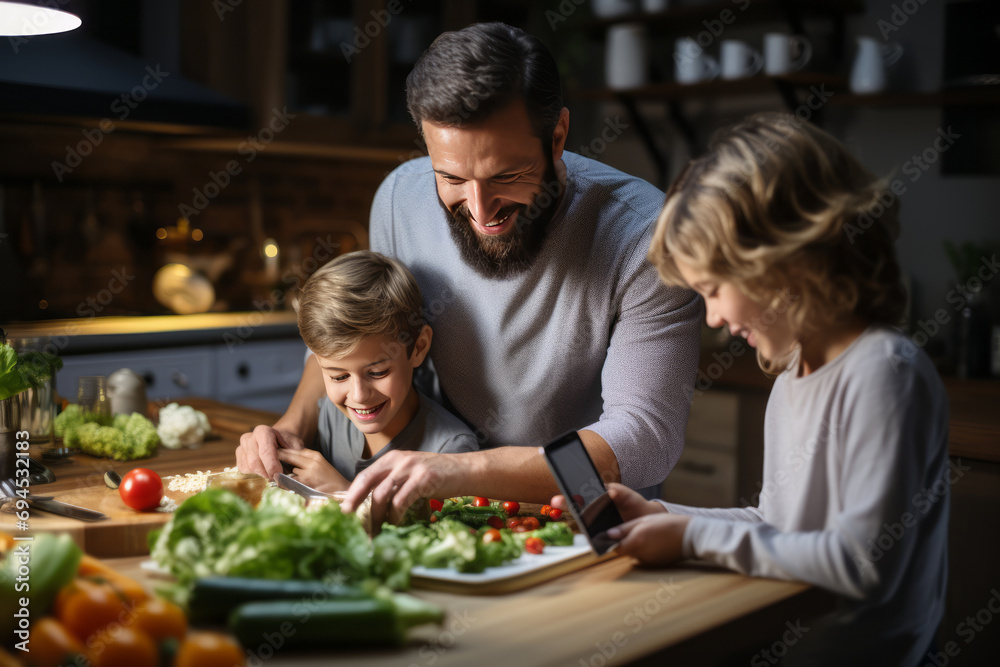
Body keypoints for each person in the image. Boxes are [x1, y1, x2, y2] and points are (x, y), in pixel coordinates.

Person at [237, 23, 702, 523]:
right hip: (441, 507)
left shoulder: (644, 236)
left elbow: (645, 439)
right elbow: (357, 334)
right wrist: (292, 424)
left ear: (558, 136)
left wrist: (462, 470)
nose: (481, 210)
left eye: (506, 175)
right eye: (452, 177)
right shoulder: (399, 199)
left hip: (587, 510)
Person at [570, 112, 948, 666]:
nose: (715, 319)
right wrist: (661, 517)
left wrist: (692, 541)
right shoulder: (793, 374)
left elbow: (861, 563)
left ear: (784, 261)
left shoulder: (884, 373)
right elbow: (778, 527)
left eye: (715, 289)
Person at [257, 250, 478, 493]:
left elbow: (439, 528)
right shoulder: (326, 419)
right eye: (339, 376)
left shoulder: (451, 449)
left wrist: (343, 492)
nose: (359, 395)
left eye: (378, 372)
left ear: (418, 347)